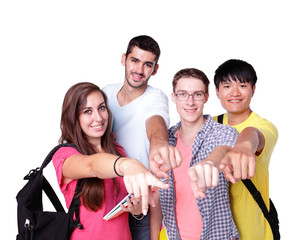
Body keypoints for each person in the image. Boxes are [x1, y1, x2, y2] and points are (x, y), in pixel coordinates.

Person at [52, 82, 169, 240]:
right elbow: (92, 165)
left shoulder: (118, 150)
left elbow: (131, 206)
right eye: (88, 111)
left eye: (101, 108)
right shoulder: (64, 154)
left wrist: (135, 209)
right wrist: (126, 164)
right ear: (74, 117)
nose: (98, 118)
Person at [103, 35, 181, 240]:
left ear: (155, 69)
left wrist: (159, 144)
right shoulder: (106, 93)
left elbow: (155, 124)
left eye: (148, 64)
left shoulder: (155, 97)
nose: (139, 70)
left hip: (140, 201)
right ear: (124, 59)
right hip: (107, 198)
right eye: (134, 61)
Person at [154, 68, 240, 240]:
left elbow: (224, 151)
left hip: (218, 236)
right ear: (174, 97)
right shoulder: (166, 142)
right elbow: (157, 196)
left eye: (197, 94)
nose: (190, 102)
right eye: (183, 94)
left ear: (206, 97)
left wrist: (210, 163)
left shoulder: (224, 133)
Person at [212, 59, 278, 239]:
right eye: (227, 86)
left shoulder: (264, 126)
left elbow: (254, 135)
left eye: (242, 85)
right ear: (217, 92)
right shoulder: (210, 124)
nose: (234, 93)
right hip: (215, 230)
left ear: (253, 89)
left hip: (252, 231)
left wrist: (244, 145)